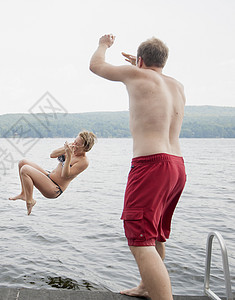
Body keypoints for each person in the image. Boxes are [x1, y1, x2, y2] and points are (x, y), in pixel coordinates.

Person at [90, 34, 186, 300]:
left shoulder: (137, 75)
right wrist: (141, 65)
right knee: (155, 235)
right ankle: (146, 286)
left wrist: (104, 45)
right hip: (176, 166)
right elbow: (155, 78)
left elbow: (96, 66)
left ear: (140, 60)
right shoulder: (176, 86)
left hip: (151, 165)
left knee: (139, 240)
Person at [9, 130, 97, 215]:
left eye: (77, 144)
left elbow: (65, 175)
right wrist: (65, 150)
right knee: (22, 163)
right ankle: (24, 194)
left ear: (85, 148)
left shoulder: (83, 162)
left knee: (25, 169)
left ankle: (30, 200)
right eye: (74, 141)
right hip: (49, 176)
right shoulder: (71, 148)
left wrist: (69, 156)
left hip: (54, 188)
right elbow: (52, 155)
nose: (74, 144)